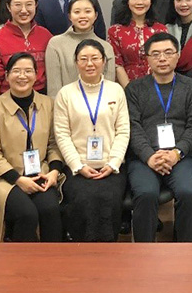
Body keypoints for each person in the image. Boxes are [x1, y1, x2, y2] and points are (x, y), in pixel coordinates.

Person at [124, 32, 192, 242]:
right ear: (147, 59)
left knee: (188, 194)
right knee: (146, 194)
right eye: (156, 54)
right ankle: (145, 251)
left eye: (168, 53)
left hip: (180, 156)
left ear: (177, 56)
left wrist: (176, 153)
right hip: (144, 158)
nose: (162, 58)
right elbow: (132, 126)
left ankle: (185, 250)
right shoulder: (134, 89)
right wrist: (149, 156)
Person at [0, 53, 63, 242]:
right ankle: (20, 261)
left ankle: (54, 260)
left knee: (50, 209)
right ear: (7, 75)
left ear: (37, 75)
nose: (22, 76)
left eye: (28, 71)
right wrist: (18, 179)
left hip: (40, 173)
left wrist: (54, 171)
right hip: (1, 177)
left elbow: (54, 144)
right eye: (16, 71)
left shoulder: (48, 104)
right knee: (26, 213)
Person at [55, 39, 130, 242]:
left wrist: (113, 163)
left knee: (108, 199)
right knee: (83, 199)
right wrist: (77, 166)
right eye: (84, 59)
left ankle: (107, 252)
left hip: (111, 167)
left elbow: (123, 131)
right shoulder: (66, 93)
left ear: (104, 61)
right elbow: (62, 133)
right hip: (77, 167)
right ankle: (82, 250)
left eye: (95, 58)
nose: (90, 63)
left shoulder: (116, 90)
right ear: (76, 62)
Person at [0, 0, 53, 101]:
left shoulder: (46, 35)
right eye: (18, 5)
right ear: (8, 7)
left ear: (36, 5)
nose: (24, 10)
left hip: (40, 99)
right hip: (7, 99)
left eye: (29, 4)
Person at [45, 0, 116, 97]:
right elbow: (54, 89)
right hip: (66, 104)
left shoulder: (106, 47)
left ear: (96, 15)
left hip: (100, 105)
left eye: (88, 11)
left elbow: (109, 88)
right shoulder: (56, 44)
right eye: (77, 12)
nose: (82, 16)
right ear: (69, 16)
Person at [107, 0, 168, 87]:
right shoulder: (115, 31)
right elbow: (117, 65)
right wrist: (130, 90)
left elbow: (164, 61)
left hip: (157, 86)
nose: (140, 2)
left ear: (151, 1)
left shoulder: (161, 30)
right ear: (127, 1)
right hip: (126, 87)